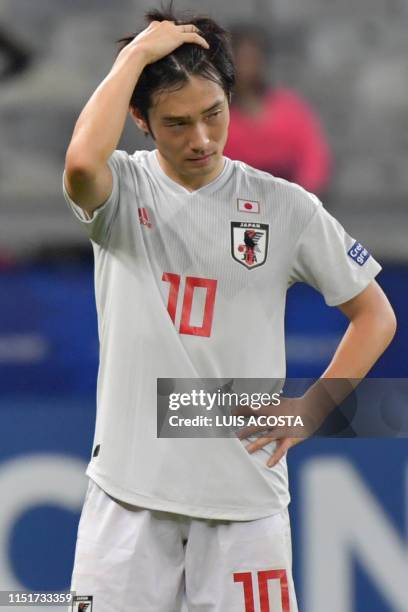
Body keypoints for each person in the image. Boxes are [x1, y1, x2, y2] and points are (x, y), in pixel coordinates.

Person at [63, 6, 396, 611]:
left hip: (246, 507)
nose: (201, 139)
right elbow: (82, 163)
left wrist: (311, 409)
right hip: (126, 501)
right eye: (176, 123)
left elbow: (376, 315)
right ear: (140, 119)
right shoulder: (122, 191)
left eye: (214, 114)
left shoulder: (285, 207)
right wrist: (134, 55)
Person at [224, 23, 331, 196]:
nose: (246, 68)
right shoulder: (218, 115)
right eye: (240, 59)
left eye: (252, 59)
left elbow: (314, 158)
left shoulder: (290, 109)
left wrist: (298, 197)